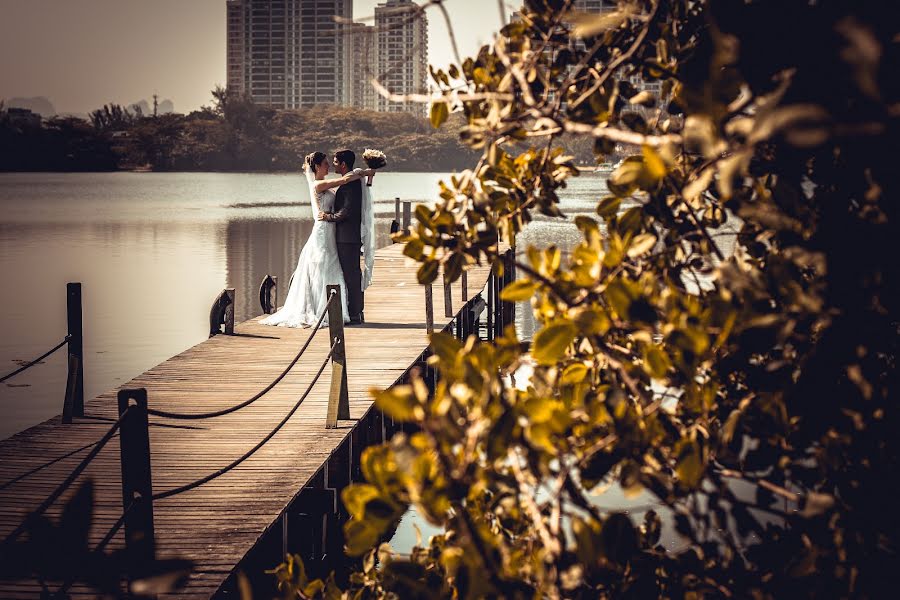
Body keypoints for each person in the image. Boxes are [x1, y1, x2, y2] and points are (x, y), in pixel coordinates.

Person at [261, 151, 374, 328]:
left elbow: (345, 189)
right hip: (324, 229)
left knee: (332, 267)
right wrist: (364, 172)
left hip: (332, 231)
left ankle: (339, 310)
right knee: (322, 267)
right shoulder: (318, 185)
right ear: (317, 167)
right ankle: (322, 308)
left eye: (332, 162)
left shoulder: (327, 186)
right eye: (326, 163)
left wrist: (365, 174)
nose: (329, 165)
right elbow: (344, 180)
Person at [319, 149, 373, 324]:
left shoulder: (351, 183)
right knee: (351, 273)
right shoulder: (350, 180)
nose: (333, 164)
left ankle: (355, 313)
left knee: (351, 274)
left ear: (343, 164)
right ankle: (354, 310)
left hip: (347, 237)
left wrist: (329, 217)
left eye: (335, 161)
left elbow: (346, 210)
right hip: (347, 236)